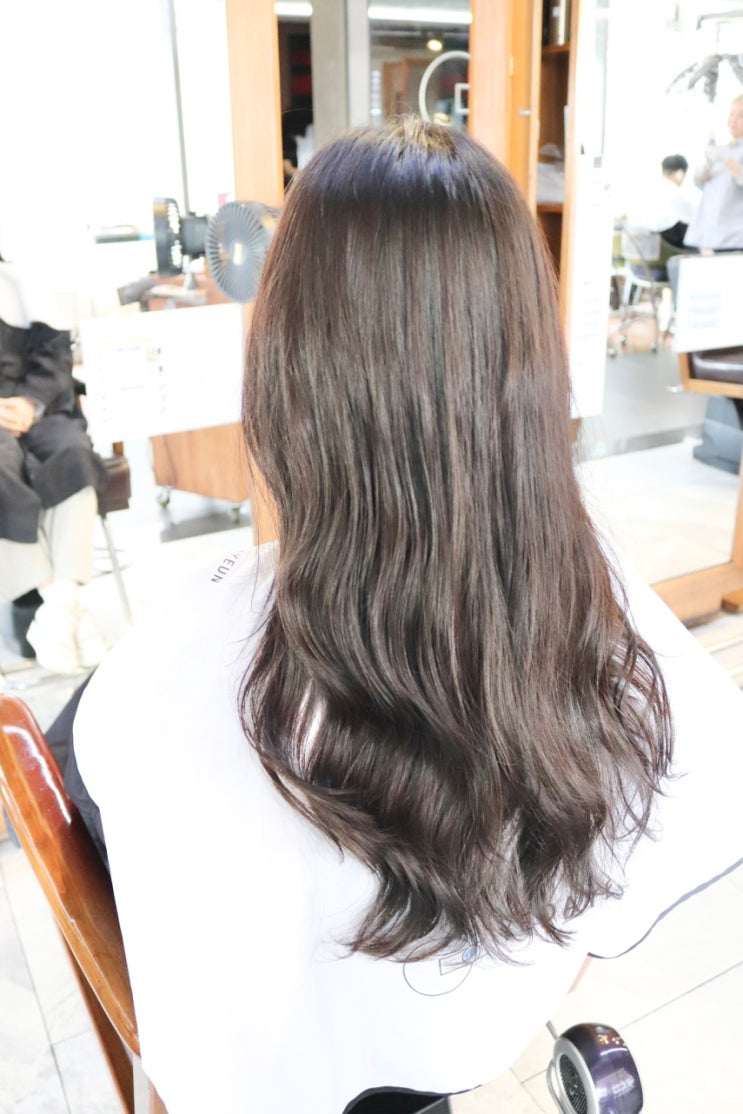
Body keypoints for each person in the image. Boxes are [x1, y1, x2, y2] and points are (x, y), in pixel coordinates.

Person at [71, 120, 743, 1114]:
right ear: (523, 366)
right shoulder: (588, 610)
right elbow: (605, 897)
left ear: (290, 368)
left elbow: (131, 863)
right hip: (446, 1052)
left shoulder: (165, 659)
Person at [0, 255, 109, 674]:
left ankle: (57, 612)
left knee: (73, 454)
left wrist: (31, 403)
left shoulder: (18, 283)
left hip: (40, 410)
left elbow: (54, 360)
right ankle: (64, 611)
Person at [684, 94, 743, 251]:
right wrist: (704, 171)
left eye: (740, 116)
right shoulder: (722, 149)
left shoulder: (727, 154)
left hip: (735, 238)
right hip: (710, 235)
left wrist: (728, 160)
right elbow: (701, 185)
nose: (733, 120)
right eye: (731, 114)